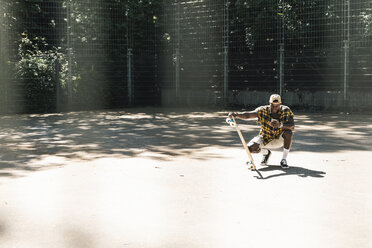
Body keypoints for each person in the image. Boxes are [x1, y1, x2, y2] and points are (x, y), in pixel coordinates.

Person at [228, 94, 295, 168]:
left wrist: (279, 125)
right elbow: (248, 115)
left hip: (279, 138)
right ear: (269, 104)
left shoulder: (286, 110)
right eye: (272, 106)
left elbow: (292, 126)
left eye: (277, 106)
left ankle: (283, 159)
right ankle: (266, 153)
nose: (274, 108)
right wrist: (236, 115)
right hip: (265, 137)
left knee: (288, 133)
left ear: (280, 104)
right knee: (250, 148)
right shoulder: (263, 110)